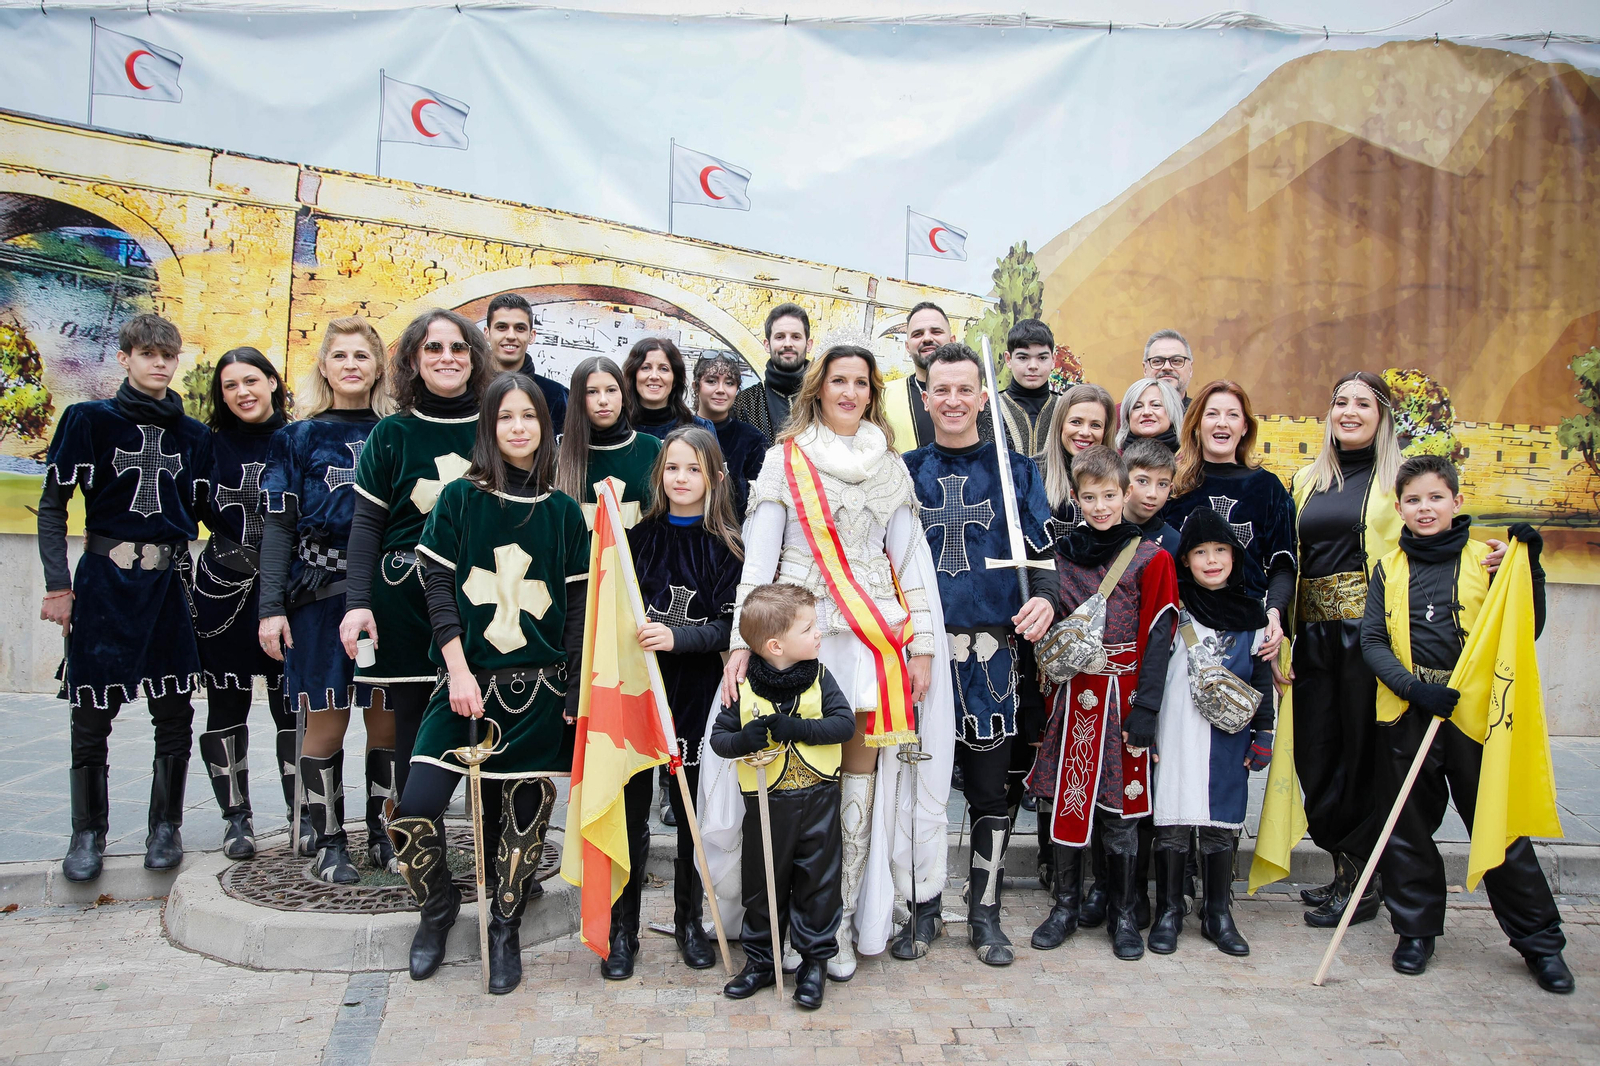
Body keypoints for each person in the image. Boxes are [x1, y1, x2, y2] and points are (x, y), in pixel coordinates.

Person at [710, 343, 947, 980]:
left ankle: (836, 927)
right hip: (795, 643)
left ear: (873, 393)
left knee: (857, 788)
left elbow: (908, 567)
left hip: (870, 645)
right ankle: (788, 923)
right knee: (797, 787)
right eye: (838, 380)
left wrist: (922, 647)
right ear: (818, 388)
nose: (849, 391)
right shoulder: (786, 461)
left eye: (861, 383)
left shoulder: (891, 467)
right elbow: (759, 566)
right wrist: (740, 640)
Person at [394, 373, 587, 995]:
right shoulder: (461, 500)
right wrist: (455, 670)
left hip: (538, 691)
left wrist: (576, 691)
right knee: (417, 807)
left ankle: (504, 928)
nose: (519, 427)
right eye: (506, 417)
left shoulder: (561, 511)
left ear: (545, 426)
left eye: (529, 416)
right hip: (465, 684)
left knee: (521, 818)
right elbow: (437, 589)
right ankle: (438, 906)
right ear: (490, 427)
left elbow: (579, 606)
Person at [1362, 455, 1573, 994]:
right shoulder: (1388, 568)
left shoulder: (1490, 562)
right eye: (1413, 500)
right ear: (1399, 507)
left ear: (1456, 502)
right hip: (1410, 712)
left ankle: (1540, 943)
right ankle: (1415, 931)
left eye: (1435, 497)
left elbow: (1529, 627)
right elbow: (1373, 642)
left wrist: (1532, 568)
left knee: (1499, 830)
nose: (1424, 508)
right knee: (1407, 832)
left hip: (1475, 719)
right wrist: (1413, 688)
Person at [39, 313, 214, 880]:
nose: (159, 363)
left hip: (167, 584)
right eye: (147, 354)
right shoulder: (88, 421)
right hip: (104, 582)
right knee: (91, 717)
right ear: (125, 358)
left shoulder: (193, 435)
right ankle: (86, 833)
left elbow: (212, 508)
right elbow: (52, 506)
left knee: (175, 713)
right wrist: (57, 586)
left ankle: (165, 827)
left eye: (167, 355)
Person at [904, 343, 1058, 966]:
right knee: (922, 789)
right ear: (925, 397)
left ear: (984, 397)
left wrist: (1045, 599)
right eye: (941, 390)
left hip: (993, 655)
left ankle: (985, 912)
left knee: (994, 793)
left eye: (965, 389)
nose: (953, 401)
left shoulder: (1018, 472)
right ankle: (922, 905)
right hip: (921, 658)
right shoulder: (904, 471)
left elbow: (1045, 559)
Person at [1026, 445, 1177, 962]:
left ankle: (1123, 913)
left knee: (1121, 814)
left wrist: (1148, 709)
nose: (1100, 506)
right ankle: (1065, 907)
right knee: (1068, 807)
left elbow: (1160, 634)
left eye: (1109, 495)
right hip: (1075, 697)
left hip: (1124, 695)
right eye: (1089, 497)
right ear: (1075, 497)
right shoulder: (1060, 555)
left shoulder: (1151, 558)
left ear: (1126, 493)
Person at [260, 318, 397, 880]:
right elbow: (278, 527)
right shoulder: (297, 438)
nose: (351, 365)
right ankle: (330, 839)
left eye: (362, 356)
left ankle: (385, 835)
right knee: (327, 720)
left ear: (378, 367)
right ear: (324, 366)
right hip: (316, 597)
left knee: (386, 722)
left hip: (386, 598)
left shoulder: (397, 433)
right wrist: (270, 607)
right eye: (339, 355)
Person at [340, 309, 488, 803]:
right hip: (405, 597)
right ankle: (420, 851)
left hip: (485, 595)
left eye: (458, 347)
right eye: (433, 348)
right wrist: (357, 602)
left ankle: (494, 854)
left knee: (489, 722)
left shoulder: (498, 425)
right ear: (412, 360)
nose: (447, 357)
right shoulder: (391, 434)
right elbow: (366, 527)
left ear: (473, 358)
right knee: (411, 726)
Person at [621, 426, 742, 975]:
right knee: (630, 813)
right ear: (659, 474)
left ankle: (689, 919)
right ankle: (623, 930)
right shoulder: (637, 540)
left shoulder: (725, 547)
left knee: (690, 811)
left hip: (695, 692)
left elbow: (726, 627)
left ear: (714, 477)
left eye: (693, 469)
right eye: (672, 468)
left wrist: (677, 638)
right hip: (640, 690)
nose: (681, 478)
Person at [710, 584, 855, 1009]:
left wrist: (800, 730)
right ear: (775, 645)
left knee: (819, 883)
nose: (819, 634)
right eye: (809, 628)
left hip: (819, 801)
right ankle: (760, 960)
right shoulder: (745, 684)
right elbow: (720, 740)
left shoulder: (821, 677)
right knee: (762, 884)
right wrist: (743, 739)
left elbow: (844, 726)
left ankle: (814, 963)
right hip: (766, 805)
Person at [1149, 508, 1276, 957]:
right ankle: (1168, 911)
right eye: (1200, 552)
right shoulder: (1171, 608)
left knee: (1220, 826)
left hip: (1227, 735)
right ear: (1185, 560)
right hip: (1176, 728)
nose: (1211, 560)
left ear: (1233, 555)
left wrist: (1264, 734)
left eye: (1220, 550)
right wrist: (1145, 729)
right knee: (1174, 823)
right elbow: (1151, 674)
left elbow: (1260, 680)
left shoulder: (1251, 615)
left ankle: (1218, 912)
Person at [191, 348, 289, 862]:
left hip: (289, 592)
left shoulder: (299, 439)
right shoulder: (207, 446)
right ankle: (237, 820)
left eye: (252, 380)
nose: (242, 392)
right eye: (230, 386)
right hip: (222, 587)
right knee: (226, 704)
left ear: (273, 382)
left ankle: (306, 816)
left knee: (291, 704)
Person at [1162, 381, 1294, 668]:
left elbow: (1282, 563)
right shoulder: (1173, 486)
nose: (1222, 423)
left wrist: (1273, 616)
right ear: (1196, 424)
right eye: (1212, 414)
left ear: (1245, 427)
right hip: (1184, 629)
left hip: (1248, 628)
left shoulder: (1268, 488)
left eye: (1233, 415)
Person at [556, 356, 663, 531]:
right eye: (592, 392)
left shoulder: (650, 447)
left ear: (623, 396)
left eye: (611, 390)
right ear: (578, 400)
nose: (603, 400)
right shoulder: (562, 456)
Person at [882, 302, 992, 451]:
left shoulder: (983, 396)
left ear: (952, 340)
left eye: (936, 332)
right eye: (918, 334)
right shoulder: (884, 395)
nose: (927, 338)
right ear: (907, 346)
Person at [693, 353, 767, 519]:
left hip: (734, 536)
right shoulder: (678, 432)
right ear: (696, 386)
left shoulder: (752, 439)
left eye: (729, 383)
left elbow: (758, 500)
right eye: (711, 381)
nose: (721, 390)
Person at [1040, 383, 1116, 541]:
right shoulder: (1031, 472)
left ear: (1105, 431)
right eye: (1076, 422)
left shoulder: (1119, 475)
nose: (1085, 432)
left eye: (1095, 425)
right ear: (1060, 424)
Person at [482, 292, 568, 430]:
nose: (511, 336)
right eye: (502, 327)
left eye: (520, 328)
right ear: (487, 333)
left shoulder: (554, 396)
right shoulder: (468, 391)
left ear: (531, 336)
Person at [732, 302, 813, 441]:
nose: (788, 344)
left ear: (808, 344)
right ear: (767, 345)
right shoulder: (744, 403)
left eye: (796, 337)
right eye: (780, 337)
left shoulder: (823, 397)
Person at [624, 337, 715, 441]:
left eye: (663, 369)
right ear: (633, 375)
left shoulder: (700, 429)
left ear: (675, 380)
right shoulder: (617, 427)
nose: (654, 376)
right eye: (646, 368)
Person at [997, 318, 1060, 458]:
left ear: (1053, 360)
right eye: (1023, 358)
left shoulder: (1067, 408)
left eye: (1042, 358)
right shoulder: (988, 409)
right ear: (1008, 359)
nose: (1033, 366)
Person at [1122, 438, 1180, 556]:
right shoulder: (1099, 531)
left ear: (1170, 488)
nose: (1152, 494)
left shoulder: (1175, 544)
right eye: (1142, 481)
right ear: (1123, 481)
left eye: (1162, 484)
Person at [1115, 377, 1184, 454]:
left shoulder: (1189, 457)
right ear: (1127, 417)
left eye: (1156, 405)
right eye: (1138, 406)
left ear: (1172, 412)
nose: (1146, 412)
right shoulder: (1114, 458)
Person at [1143, 329, 1195, 408]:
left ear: (1190, 369)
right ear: (1145, 369)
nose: (1167, 367)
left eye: (1176, 360)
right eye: (1157, 361)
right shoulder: (1124, 415)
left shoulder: (1201, 415)